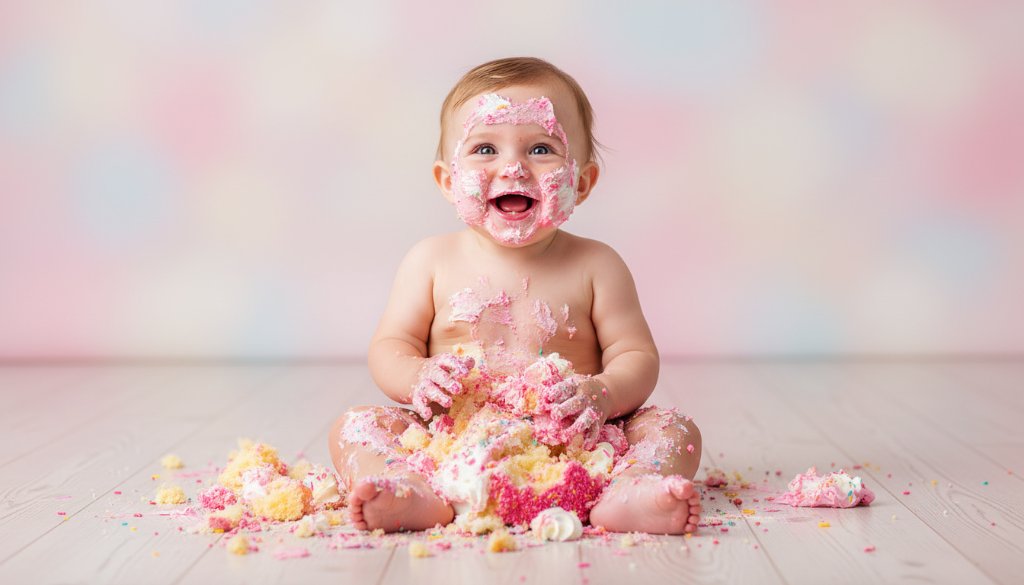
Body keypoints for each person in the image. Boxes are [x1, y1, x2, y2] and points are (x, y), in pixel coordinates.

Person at [329, 57, 702, 534]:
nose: (512, 167)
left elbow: (635, 355)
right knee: (357, 424)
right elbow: (390, 347)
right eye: (485, 148)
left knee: (674, 428)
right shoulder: (430, 261)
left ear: (581, 182)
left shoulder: (597, 265)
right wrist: (418, 375)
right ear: (447, 180)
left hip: (577, 443)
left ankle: (632, 490)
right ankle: (406, 486)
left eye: (542, 149)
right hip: (448, 440)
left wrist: (600, 396)